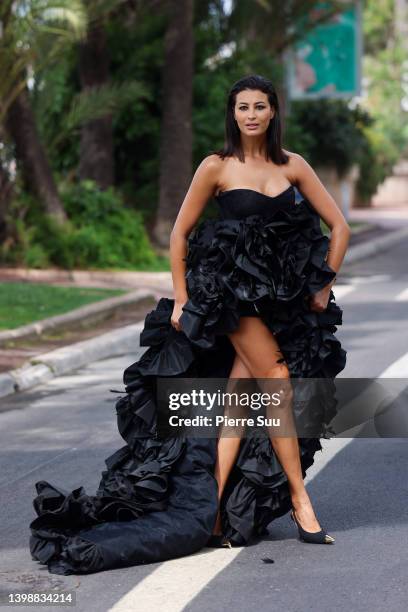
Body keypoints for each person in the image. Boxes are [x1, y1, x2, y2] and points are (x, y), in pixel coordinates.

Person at [29, 74, 350, 575]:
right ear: (233, 113)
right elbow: (179, 235)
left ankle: (213, 512)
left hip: (279, 305)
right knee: (278, 379)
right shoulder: (216, 166)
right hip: (228, 299)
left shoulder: (294, 166)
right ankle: (300, 500)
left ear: (272, 112)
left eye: (259, 106)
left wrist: (323, 286)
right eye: (242, 106)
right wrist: (181, 300)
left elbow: (340, 226)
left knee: (241, 404)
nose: (250, 114)